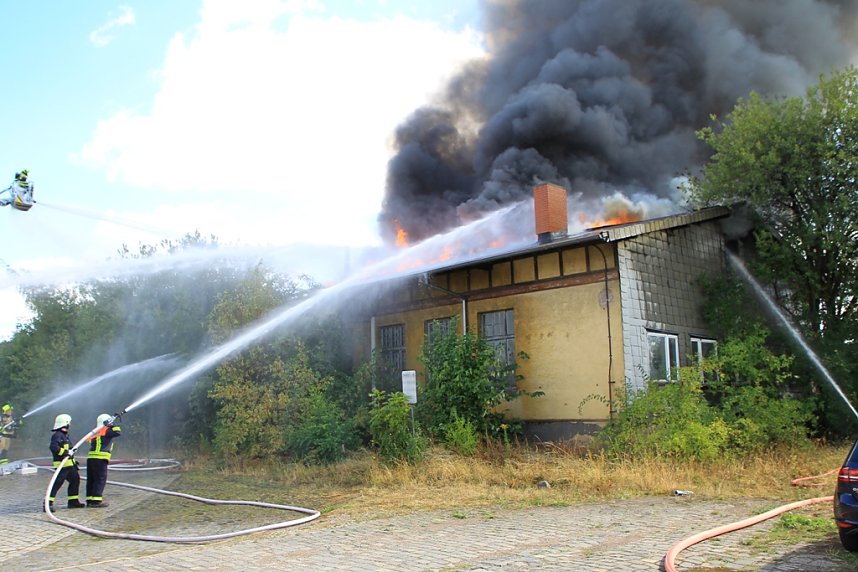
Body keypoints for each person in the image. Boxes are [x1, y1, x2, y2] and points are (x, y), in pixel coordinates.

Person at [47, 414, 86, 510]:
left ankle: (73, 501)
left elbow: (68, 450)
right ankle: (48, 503)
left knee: (75, 480)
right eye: (69, 423)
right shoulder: (57, 435)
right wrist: (65, 452)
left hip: (69, 464)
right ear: (65, 424)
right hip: (62, 465)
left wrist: (72, 456)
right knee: (57, 483)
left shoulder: (65, 436)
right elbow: (53, 447)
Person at [85, 413, 121, 508]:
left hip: (91, 459)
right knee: (100, 479)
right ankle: (96, 501)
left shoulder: (96, 432)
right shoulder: (106, 431)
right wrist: (113, 425)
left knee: (91, 479)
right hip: (100, 459)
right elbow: (118, 432)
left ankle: (89, 500)